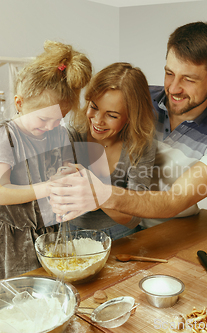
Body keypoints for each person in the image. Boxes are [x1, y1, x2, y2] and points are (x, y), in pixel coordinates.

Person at [49, 21, 207, 224]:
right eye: (169, 73)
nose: (173, 88)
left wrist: (100, 194)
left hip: (171, 228)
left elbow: (175, 199)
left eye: (189, 79)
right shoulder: (135, 97)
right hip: (121, 226)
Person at [0, 40, 92, 285]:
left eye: (59, 119)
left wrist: (72, 173)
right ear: (19, 103)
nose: (50, 127)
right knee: (16, 296)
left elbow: (66, 167)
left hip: (51, 230)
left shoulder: (59, 133)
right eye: (43, 119)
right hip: (14, 238)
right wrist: (50, 187)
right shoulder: (2, 136)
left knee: (50, 292)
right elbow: (2, 193)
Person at [64, 62, 156, 240]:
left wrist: (97, 195)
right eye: (94, 107)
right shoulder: (74, 132)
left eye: (112, 115)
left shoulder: (141, 144)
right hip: (70, 233)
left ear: (131, 116)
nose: (97, 121)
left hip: (121, 236)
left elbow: (133, 217)